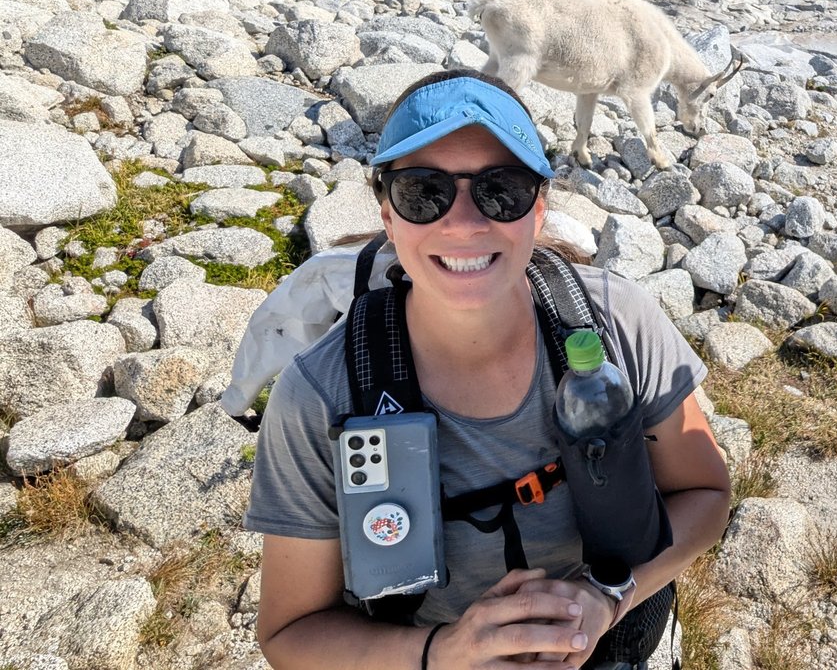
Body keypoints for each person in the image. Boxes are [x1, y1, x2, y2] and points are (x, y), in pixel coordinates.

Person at [246, 69, 731, 669]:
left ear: (539, 209)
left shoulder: (618, 321)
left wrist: (604, 597)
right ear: (389, 215)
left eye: (502, 190)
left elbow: (706, 493)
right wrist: (445, 653)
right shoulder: (321, 395)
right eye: (423, 193)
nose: (464, 224)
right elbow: (291, 630)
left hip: (618, 633)